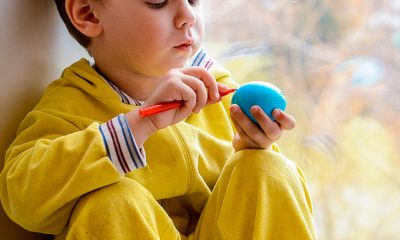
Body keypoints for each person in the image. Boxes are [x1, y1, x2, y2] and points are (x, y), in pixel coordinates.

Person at [0, 0, 317, 239]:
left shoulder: (217, 89)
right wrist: (138, 125)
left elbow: (257, 209)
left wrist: (251, 146)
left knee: (268, 168)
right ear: (89, 15)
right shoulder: (70, 104)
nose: (188, 15)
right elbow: (22, 200)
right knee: (113, 201)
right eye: (157, 1)